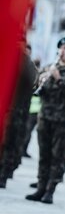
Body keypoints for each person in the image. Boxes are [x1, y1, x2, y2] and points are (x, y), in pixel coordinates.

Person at [25, 37, 65, 204]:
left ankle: (50, 190)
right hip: (45, 117)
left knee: (57, 156)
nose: (62, 51)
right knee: (44, 154)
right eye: (60, 48)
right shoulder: (50, 67)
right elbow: (37, 90)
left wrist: (59, 79)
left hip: (63, 121)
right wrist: (42, 79)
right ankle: (40, 188)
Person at [0, 37, 37, 188]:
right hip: (5, 111)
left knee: (12, 145)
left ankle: (4, 174)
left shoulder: (29, 66)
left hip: (18, 114)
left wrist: (23, 58)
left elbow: (31, 82)